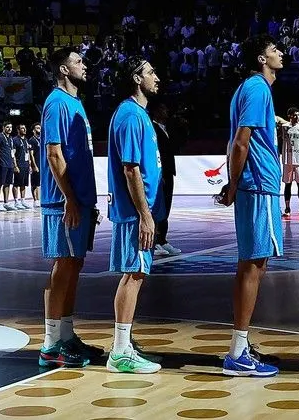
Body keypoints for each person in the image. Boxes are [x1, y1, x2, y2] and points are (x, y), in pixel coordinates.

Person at [218, 34, 283, 377]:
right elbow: (241, 142)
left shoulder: (247, 89)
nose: (281, 53)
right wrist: (234, 182)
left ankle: (240, 345)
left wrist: (233, 182)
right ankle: (237, 352)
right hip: (259, 184)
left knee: (252, 264)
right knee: (254, 264)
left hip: (253, 184)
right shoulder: (258, 89)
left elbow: (236, 142)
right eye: (274, 50)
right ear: (261, 58)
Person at [38, 48, 102, 368]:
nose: (84, 65)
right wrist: (70, 199)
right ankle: (50, 344)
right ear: (63, 70)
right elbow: (54, 154)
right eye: (78, 61)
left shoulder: (76, 103)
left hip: (79, 199)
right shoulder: (56, 103)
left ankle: (66, 335)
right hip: (63, 201)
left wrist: (86, 199)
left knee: (74, 267)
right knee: (62, 268)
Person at [105, 57, 163, 374]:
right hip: (133, 213)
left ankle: (123, 344)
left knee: (135, 273)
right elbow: (130, 169)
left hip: (137, 211)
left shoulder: (138, 114)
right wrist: (144, 215)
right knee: (133, 273)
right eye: (150, 72)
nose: (157, 77)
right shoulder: (129, 115)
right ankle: (120, 351)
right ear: (136, 78)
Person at [150, 102, 182, 256]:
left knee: (166, 206)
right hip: (160, 173)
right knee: (158, 207)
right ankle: (154, 241)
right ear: (156, 111)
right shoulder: (152, 128)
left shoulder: (167, 128)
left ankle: (162, 239)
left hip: (169, 172)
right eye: (163, 108)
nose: (166, 111)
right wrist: (159, 173)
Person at [279, 108, 299, 217]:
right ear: (289, 116)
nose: (297, 117)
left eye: (298, 115)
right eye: (295, 115)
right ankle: (287, 208)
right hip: (288, 159)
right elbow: (277, 121)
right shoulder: (284, 126)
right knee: (288, 184)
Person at [0, 122, 17, 212]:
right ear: (3, 128)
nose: (9, 129)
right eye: (7, 127)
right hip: (2, 164)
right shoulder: (0, 136)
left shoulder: (10, 138)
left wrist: (14, 163)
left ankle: (6, 202)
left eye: (11, 127)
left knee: (7, 184)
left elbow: (12, 152)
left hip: (9, 164)